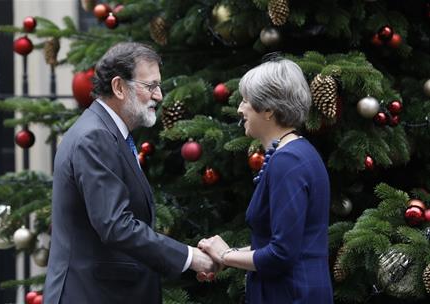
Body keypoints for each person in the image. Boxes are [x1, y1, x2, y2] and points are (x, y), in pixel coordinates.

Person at [43, 42, 217, 304]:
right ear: (119, 87)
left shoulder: (105, 132)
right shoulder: (96, 137)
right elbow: (116, 225)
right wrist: (190, 258)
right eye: (150, 86)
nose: (159, 96)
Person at [198, 58, 333, 303]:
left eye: (246, 101)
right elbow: (285, 244)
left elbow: (282, 254)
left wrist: (226, 255)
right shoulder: (298, 153)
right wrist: (224, 256)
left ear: (269, 109)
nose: (239, 109)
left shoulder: (288, 161)